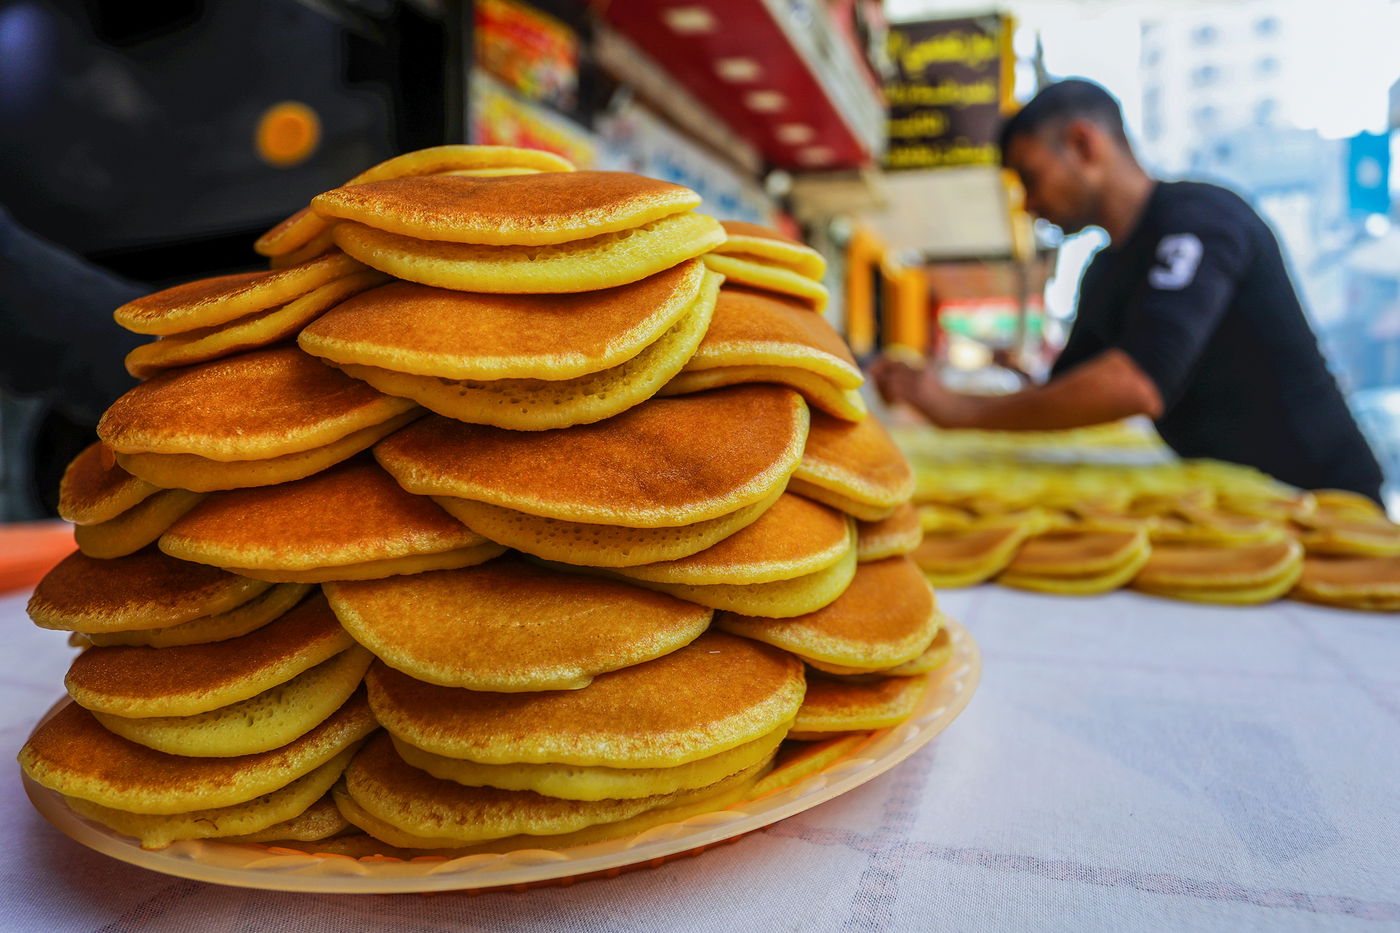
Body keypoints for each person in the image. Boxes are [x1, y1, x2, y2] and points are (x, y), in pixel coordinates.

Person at [872, 79, 1386, 502]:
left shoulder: (1200, 219)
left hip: (1323, 495)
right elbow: (1065, 395)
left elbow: (1134, 385)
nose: (1028, 204)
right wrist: (962, 386)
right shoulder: (1104, 271)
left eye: (1031, 177)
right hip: (1234, 500)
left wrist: (957, 410)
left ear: (1083, 144)